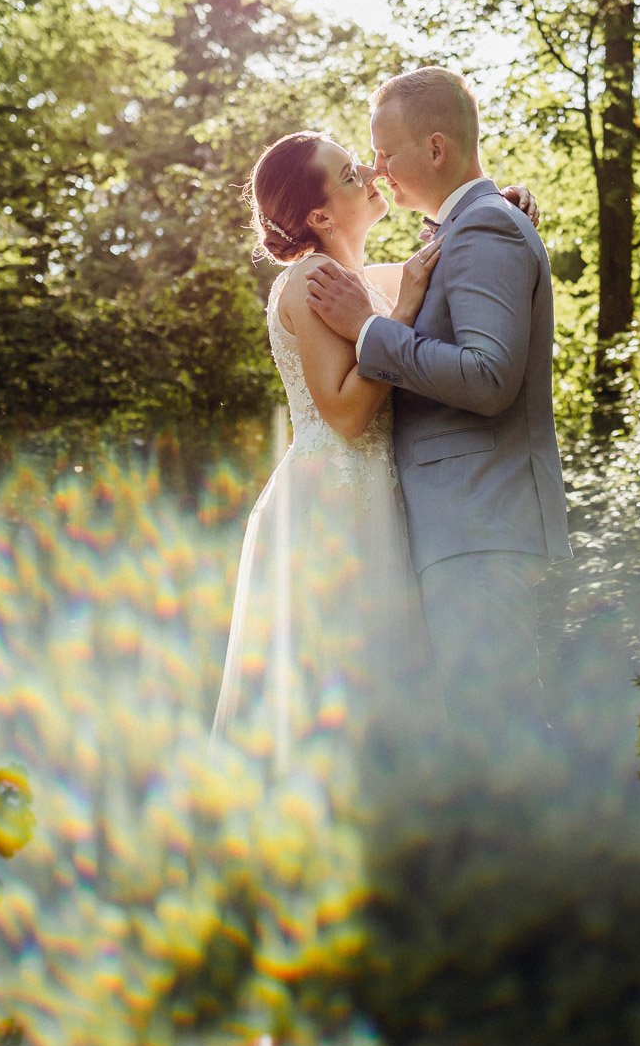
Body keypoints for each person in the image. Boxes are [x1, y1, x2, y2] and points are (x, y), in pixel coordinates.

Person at [210, 123, 544, 762]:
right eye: (346, 173)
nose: (367, 171)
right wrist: (398, 309)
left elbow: (446, 255)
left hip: (377, 496)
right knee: (341, 681)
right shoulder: (311, 281)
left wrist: (503, 203)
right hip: (332, 505)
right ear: (317, 214)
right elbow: (344, 414)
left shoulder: (359, 276)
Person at [303, 67, 570, 747]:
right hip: (460, 528)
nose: (375, 168)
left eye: (384, 153)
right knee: (481, 737)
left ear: (436, 149)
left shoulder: (484, 229)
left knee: (497, 738)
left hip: (480, 525)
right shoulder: (469, 230)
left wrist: (368, 331)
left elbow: (487, 377)